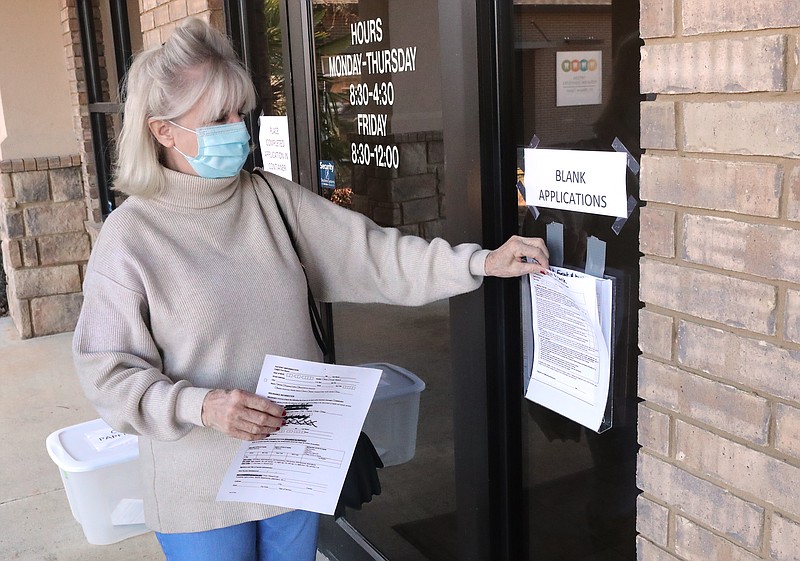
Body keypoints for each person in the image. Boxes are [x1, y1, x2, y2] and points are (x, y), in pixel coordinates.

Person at [72, 17, 549, 561]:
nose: (238, 128)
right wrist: (200, 406)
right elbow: (107, 372)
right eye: (218, 117)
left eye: (240, 113)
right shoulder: (132, 235)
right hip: (198, 485)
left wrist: (482, 262)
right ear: (163, 131)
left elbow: (378, 256)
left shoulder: (270, 200)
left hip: (291, 461)